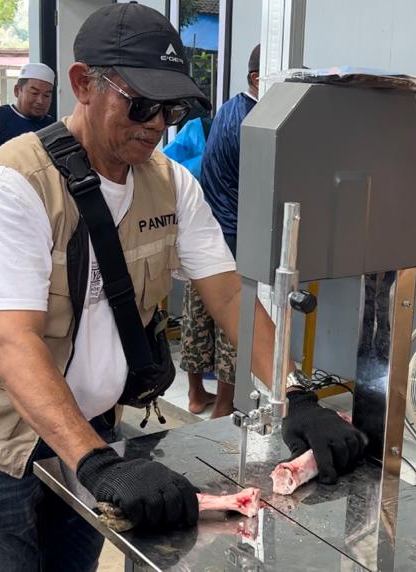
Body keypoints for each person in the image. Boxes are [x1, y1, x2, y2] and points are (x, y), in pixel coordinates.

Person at [0, 6, 365, 570]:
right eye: (141, 104)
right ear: (84, 84)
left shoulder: (173, 185)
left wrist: (292, 393)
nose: (157, 124)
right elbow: (11, 339)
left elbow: (228, 295)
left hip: (94, 424)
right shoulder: (15, 183)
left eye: (170, 108)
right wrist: (97, 463)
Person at [179, 44, 260, 417]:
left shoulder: (228, 109)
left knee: (198, 313)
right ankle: (224, 406)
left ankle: (196, 394)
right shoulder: (256, 120)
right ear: (257, 78)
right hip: (236, 232)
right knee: (235, 318)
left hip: (207, 228)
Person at [0, 62, 57, 160]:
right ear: (17, 90)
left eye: (46, 95)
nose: (40, 101)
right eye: (34, 93)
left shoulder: (51, 126)